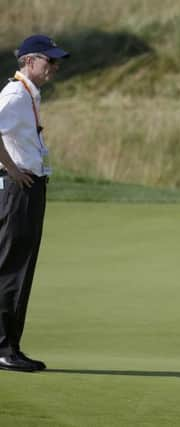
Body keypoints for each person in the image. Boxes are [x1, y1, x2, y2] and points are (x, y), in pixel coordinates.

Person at [0, 34, 69, 372]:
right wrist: (12, 169)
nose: (54, 67)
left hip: (28, 187)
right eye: (49, 61)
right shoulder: (14, 95)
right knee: (12, 267)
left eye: (55, 61)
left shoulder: (28, 94)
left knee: (19, 267)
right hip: (18, 189)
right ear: (29, 61)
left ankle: (10, 345)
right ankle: (3, 348)